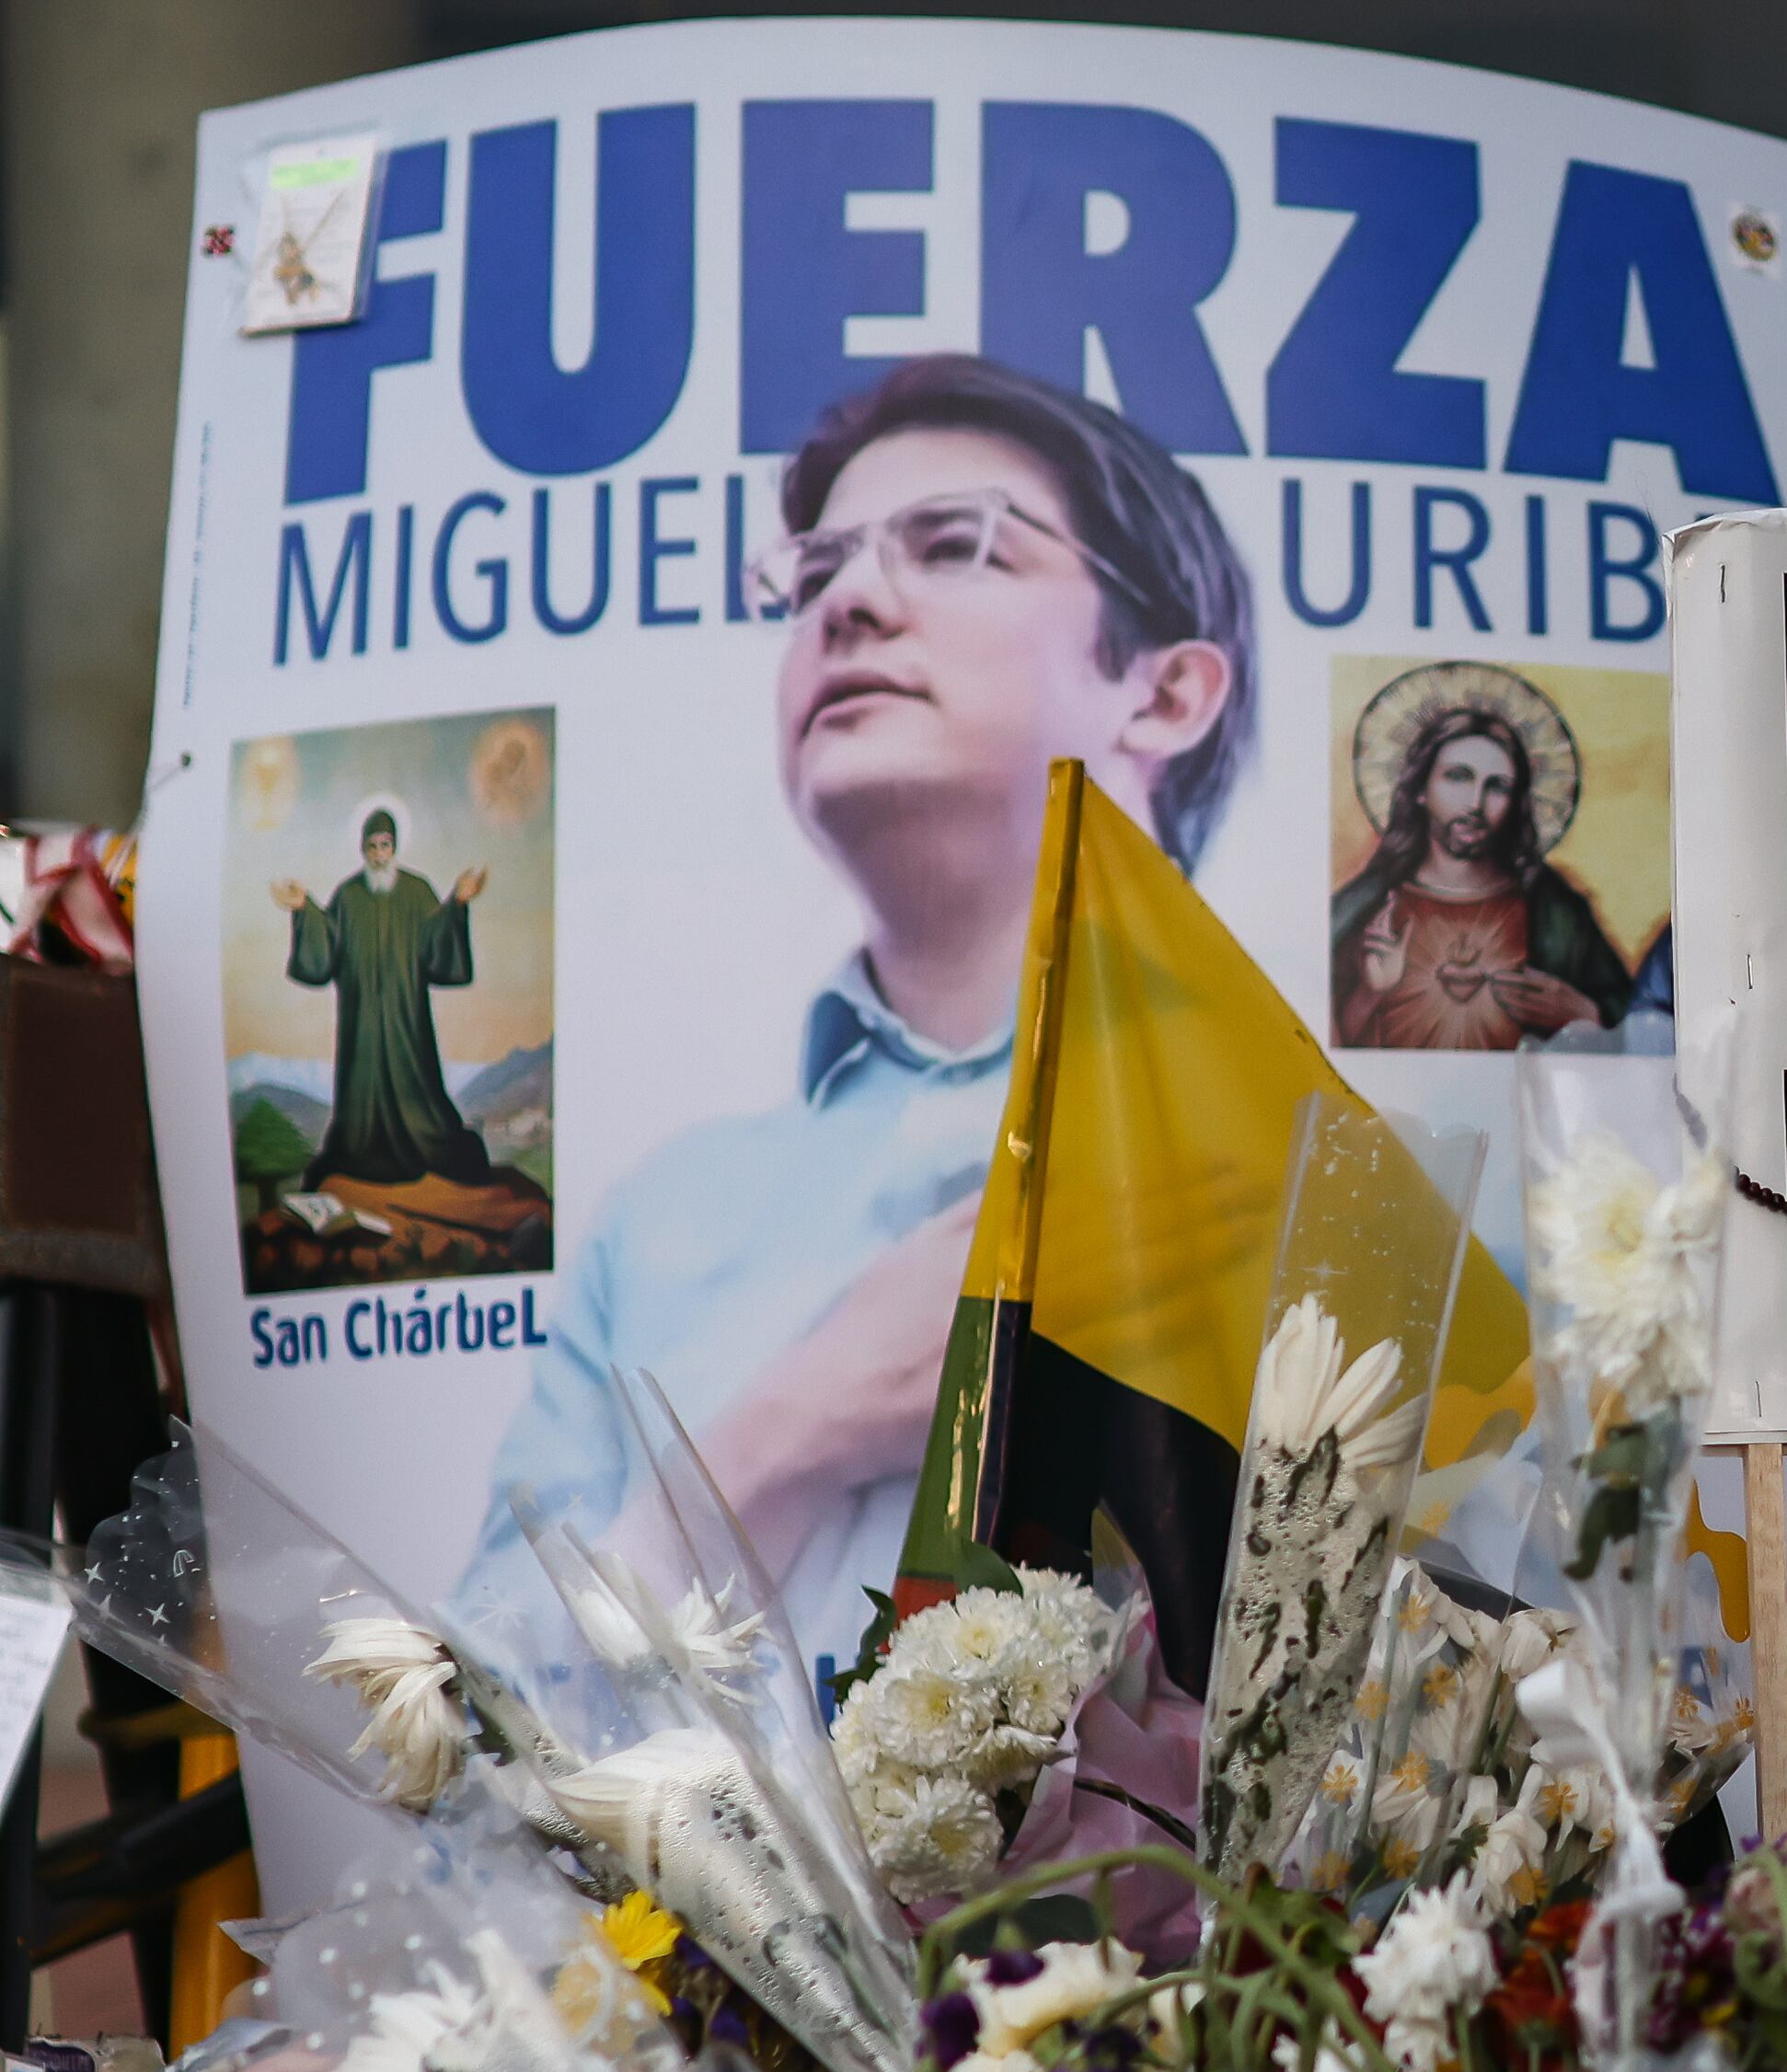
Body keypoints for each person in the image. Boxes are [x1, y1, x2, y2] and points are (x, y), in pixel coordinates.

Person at [459, 354, 1251, 1656]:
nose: (850, 604)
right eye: (814, 574)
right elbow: (464, 1765)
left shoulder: (1345, 1170)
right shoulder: (662, 1226)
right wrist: (791, 1430)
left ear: (1163, 690)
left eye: (954, 546)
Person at [1328, 673, 1635, 1049]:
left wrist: (1585, 1015)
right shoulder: (1366, 907)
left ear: (1516, 801)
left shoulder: (1556, 912)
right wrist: (1369, 992)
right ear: (1421, 789)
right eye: (1458, 777)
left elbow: (1640, 1032)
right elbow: (1318, 1043)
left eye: (1497, 786)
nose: (1475, 803)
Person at [271, 807, 493, 1186]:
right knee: (359, 1090)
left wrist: (457, 902)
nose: (379, 853)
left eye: (385, 845)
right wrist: (304, 908)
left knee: (421, 1092)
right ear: (363, 848)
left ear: (394, 847)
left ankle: (425, 1143)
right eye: (372, 846)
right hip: (361, 1020)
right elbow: (327, 945)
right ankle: (360, 1150)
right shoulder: (349, 895)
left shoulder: (416, 891)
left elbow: (436, 941)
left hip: (407, 1018)